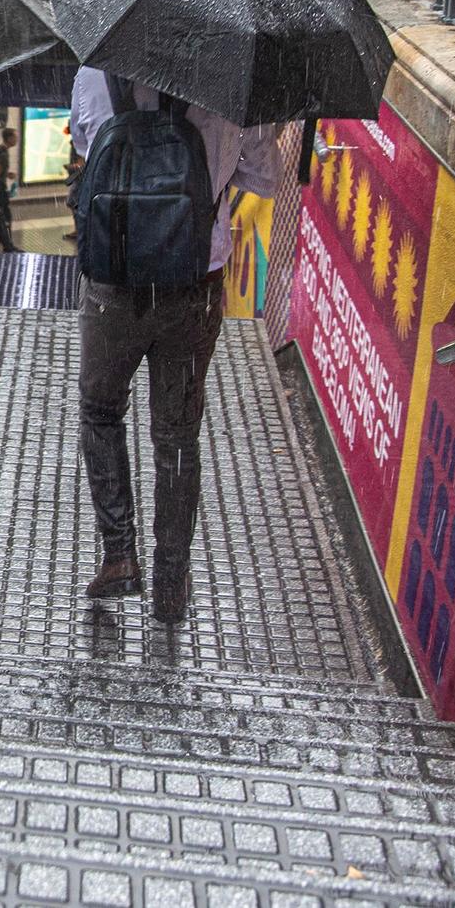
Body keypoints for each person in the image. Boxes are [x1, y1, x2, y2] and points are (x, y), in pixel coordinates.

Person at [68, 68, 282, 622]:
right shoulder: (238, 84)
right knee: (177, 433)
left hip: (114, 283)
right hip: (194, 284)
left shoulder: (95, 73)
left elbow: (88, 150)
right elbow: (264, 178)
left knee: (100, 411)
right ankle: (170, 582)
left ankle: (118, 557)